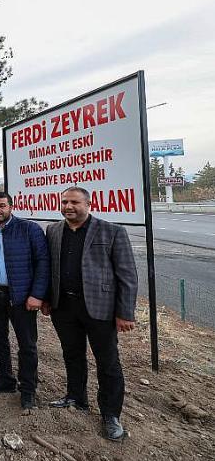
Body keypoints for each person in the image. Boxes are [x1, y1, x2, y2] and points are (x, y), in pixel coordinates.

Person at [44, 186, 138, 441]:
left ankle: (110, 414)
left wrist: (125, 313)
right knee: (72, 355)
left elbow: (127, 275)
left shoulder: (112, 231)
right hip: (63, 307)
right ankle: (76, 397)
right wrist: (45, 299)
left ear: (88, 203)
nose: (68, 206)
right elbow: (48, 267)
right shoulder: (53, 231)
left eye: (74, 202)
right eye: (64, 202)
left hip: (100, 309)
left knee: (107, 363)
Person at [0, 192, 49, 411]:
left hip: (21, 296)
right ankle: (5, 379)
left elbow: (42, 263)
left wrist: (37, 294)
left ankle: (28, 389)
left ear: (11, 206)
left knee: (27, 344)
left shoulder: (29, 229)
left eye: (2, 206)